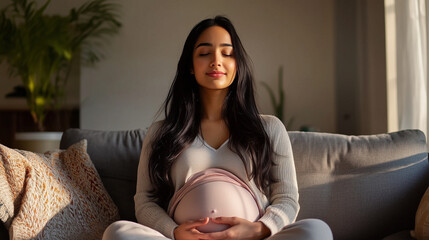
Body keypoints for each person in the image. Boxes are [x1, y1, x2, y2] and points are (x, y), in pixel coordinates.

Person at [103, 16, 333, 240]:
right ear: (190, 67)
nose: (216, 60)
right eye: (204, 53)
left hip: (253, 239)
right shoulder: (162, 132)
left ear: (237, 64)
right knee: (118, 232)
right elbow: (145, 200)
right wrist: (174, 232)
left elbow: (287, 198)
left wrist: (259, 229)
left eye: (227, 53)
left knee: (317, 231)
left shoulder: (269, 128)